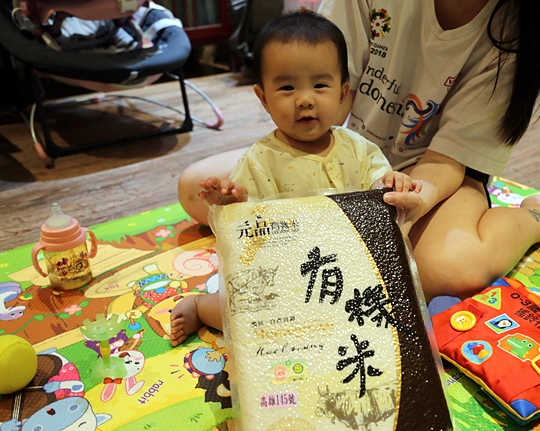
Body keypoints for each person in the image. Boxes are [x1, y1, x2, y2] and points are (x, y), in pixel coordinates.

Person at [177, 1, 540, 305]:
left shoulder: (516, 31)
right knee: (198, 190)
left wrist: (416, 195)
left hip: (434, 169)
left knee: (446, 269)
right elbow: (321, 94)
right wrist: (278, 168)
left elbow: (450, 159)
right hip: (350, 152)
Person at [170, 10, 422, 346]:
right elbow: (245, 232)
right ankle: (202, 307)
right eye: (287, 87)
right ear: (263, 98)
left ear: (343, 91)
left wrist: (390, 184)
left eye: (320, 85)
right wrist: (232, 203)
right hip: (285, 275)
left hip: (347, 268)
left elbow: (378, 187)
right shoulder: (260, 160)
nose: (304, 99)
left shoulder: (358, 148)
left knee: (393, 304)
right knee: (244, 314)